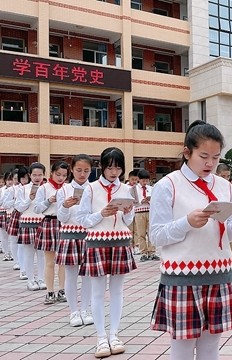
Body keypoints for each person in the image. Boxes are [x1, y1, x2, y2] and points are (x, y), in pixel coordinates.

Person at [150, 120, 232, 360]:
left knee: (210, 348)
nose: (210, 163)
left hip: (219, 274)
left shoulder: (226, 187)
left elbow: (228, 235)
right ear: (187, 152)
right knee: (183, 349)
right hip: (182, 277)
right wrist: (187, 222)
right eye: (204, 156)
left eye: (216, 157)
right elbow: (156, 235)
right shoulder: (168, 186)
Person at [77, 147, 137, 358]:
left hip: (120, 241)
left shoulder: (126, 190)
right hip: (97, 242)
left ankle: (114, 334)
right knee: (97, 291)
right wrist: (100, 214)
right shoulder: (91, 189)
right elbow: (82, 220)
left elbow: (128, 221)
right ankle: (101, 337)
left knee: (118, 291)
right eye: (110, 167)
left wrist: (128, 213)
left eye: (118, 167)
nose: (114, 172)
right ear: (102, 167)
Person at [57, 154, 94, 327]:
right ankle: (73, 311)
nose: (82, 174)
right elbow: (61, 218)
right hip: (70, 235)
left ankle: (85, 309)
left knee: (87, 275)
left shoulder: (93, 189)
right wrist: (65, 206)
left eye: (86, 170)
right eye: (78, 170)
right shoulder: (63, 190)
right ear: (72, 169)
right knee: (71, 275)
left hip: (88, 235)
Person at [34, 160, 69, 304]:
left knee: (63, 261)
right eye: (58, 174)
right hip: (49, 222)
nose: (61, 178)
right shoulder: (44, 188)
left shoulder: (67, 188)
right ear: (51, 173)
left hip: (64, 224)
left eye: (64, 175)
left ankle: (62, 290)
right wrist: (48, 201)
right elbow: (36, 209)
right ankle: (49, 291)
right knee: (50, 261)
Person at [16, 162, 47, 291]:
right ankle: (30, 279)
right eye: (34, 175)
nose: (37, 177)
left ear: (43, 175)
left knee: (42, 254)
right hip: (27, 223)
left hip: (42, 223)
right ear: (30, 175)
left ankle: (41, 279)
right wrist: (29, 199)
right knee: (29, 253)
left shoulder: (46, 188)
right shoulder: (22, 189)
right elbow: (19, 207)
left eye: (40, 175)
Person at [6, 167, 29, 277]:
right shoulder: (13, 189)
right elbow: (5, 203)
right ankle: (19, 264)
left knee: (25, 244)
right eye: (22, 178)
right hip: (18, 214)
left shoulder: (33, 188)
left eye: (26, 177)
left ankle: (24, 266)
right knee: (16, 241)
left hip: (30, 215)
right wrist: (15, 201)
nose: (25, 180)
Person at [134, 169, 157, 262]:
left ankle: (152, 252)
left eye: (146, 180)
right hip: (139, 212)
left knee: (151, 232)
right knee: (141, 233)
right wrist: (140, 201)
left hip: (149, 211)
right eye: (143, 180)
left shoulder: (150, 188)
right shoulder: (134, 189)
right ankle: (143, 252)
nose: (145, 182)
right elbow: (133, 201)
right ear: (138, 179)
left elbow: (155, 200)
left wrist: (150, 200)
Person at [0, 172, 12, 261]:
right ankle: (6, 253)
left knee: (12, 235)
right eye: (8, 180)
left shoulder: (17, 189)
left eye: (11, 179)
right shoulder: (2, 190)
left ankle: (12, 253)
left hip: (11, 213)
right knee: (4, 235)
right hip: (2, 213)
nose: (10, 182)